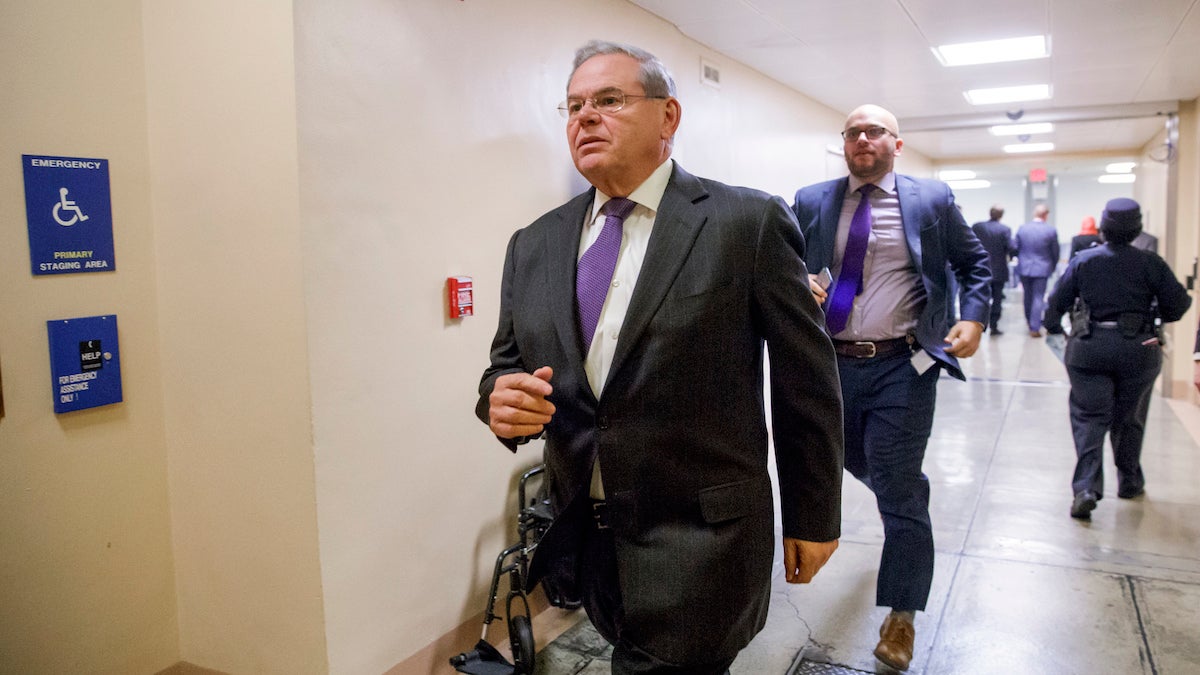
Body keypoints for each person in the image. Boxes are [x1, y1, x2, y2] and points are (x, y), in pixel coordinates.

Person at [477, 40, 844, 675]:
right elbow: (504, 364)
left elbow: (803, 380)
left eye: (609, 100)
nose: (585, 117)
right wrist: (495, 401)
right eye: (573, 106)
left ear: (668, 117)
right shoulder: (534, 243)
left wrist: (814, 514)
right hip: (587, 537)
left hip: (702, 542)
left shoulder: (745, 224)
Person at [791, 104, 990, 672]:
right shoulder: (811, 200)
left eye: (874, 130)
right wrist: (794, 277)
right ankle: (901, 493)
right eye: (852, 132)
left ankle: (901, 616)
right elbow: (774, 258)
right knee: (864, 466)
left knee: (898, 489)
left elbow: (974, 266)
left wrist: (972, 318)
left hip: (903, 365)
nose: (862, 139)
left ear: (896, 143)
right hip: (829, 365)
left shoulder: (930, 199)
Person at [1044, 198, 1190, 520]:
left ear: (1103, 227)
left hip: (1089, 347)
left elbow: (1054, 308)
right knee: (1130, 417)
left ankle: (1085, 488)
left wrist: (1060, 333)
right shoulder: (1152, 263)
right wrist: (1151, 320)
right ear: (1138, 229)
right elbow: (1178, 306)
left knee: (1089, 418)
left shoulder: (1083, 261)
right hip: (1139, 348)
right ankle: (1130, 482)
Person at [1014, 204, 1061, 337]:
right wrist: (1052, 266)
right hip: (1042, 267)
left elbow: (1015, 247)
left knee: (1027, 296)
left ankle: (1029, 322)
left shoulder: (1023, 229)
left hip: (1024, 267)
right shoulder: (1050, 230)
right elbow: (1055, 252)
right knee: (1038, 297)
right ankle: (1035, 327)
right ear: (1045, 215)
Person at [972, 205, 1015, 335]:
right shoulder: (1004, 229)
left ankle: (978, 325)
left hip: (979, 268)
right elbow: (1011, 247)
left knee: (980, 298)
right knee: (997, 299)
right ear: (1001, 215)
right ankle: (994, 326)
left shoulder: (977, 227)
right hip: (998, 270)